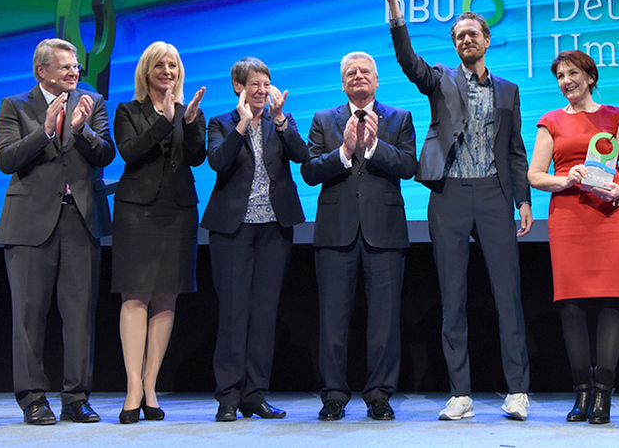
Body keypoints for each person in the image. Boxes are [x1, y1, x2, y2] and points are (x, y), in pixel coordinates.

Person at [377, 0, 533, 421]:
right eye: (459, 35)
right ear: (455, 44)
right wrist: (394, 9)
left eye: (473, 34)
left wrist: (522, 200)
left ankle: (517, 390)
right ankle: (460, 393)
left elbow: (516, 149)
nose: (466, 39)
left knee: (508, 295)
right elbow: (408, 61)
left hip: (493, 194)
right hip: (448, 195)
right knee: (453, 295)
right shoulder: (441, 79)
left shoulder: (508, 90)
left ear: (486, 41)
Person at [0, 38, 115, 425]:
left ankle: (76, 397)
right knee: (29, 316)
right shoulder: (15, 106)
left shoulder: (91, 102)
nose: (74, 71)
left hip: (80, 220)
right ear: (42, 71)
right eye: (65, 66)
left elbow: (106, 153)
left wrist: (80, 131)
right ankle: (33, 398)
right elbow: (4, 159)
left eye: (76, 65)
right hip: (29, 224)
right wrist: (44, 132)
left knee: (80, 315)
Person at [527, 50, 619, 425]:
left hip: (610, 215)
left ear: (590, 76)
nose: (566, 81)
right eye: (560, 76)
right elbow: (535, 175)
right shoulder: (551, 122)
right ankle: (581, 393)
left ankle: (604, 396)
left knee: (612, 302)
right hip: (569, 218)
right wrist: (565, 180)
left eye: (572, 73)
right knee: (571, 305)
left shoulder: (616, 116)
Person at [301, 51, 417, 421]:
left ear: (377, 80)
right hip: (336, 233)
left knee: (384, 321)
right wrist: (345, 151)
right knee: (332, 320)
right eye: (350, 72)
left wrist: (372, 147)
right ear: (343, 82)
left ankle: (379, 395)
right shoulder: (323, 120)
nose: (358, 76)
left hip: (384, 233)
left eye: (365, 71)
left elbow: (409, 165)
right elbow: (310, 171)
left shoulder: (399, 118)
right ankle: (334, 395)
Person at [201, 57, 308, 422]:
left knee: (264, 313)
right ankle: (228, 396)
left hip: (274, 228)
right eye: (254, 84)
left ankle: (255, 394)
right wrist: (244, 124)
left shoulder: (283, 121)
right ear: (238, 87)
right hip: (233, 229)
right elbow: (217, 161)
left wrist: (279, 121)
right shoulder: (220, 123)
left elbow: (302, 156)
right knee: (234, 313)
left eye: (266, 84)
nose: (262, 90)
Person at [111, 41, 206, 423]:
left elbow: (197, 158)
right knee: (135, 296)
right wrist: (164, 121)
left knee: (166, 298)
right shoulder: (127, 111)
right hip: (137, 212)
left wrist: (190, 123)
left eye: (173, 65)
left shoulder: (188, 112)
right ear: (146, 72)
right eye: (160, 66)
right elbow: (131, 153)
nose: (168, 71)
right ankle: (133, 385)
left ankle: (151, 385)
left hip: (178, 211)